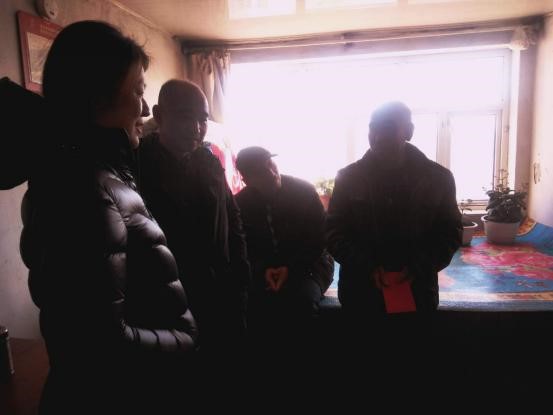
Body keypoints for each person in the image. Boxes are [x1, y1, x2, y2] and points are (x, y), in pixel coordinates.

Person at [19, 21, 197, 413]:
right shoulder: (87, 189)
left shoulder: (96, 173)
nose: (145, 109)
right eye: (138, 91)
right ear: (99, 99)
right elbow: (99, 343)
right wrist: (185, 337)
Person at [326, 101, 461, 362]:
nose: (378, 136)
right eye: (373, 128)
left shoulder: (438, 178)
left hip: (417, 291)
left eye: (387, 128)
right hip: (361, 291)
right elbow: (333, 231)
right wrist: (368, 266)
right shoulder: (348, 177)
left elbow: (450, 232)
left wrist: (418, 267)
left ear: (409, 131)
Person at [138, 79, 250, 354]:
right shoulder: (139, 164)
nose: (197, 128)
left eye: (203, 120)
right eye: (186, 117)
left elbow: (231, 215)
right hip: (168, 296)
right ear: (159, 115)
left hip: (220, 286)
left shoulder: (209, 160)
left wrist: (241, 271)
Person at [234, 147, 334, 354]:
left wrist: (291, 268)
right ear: (246, 180)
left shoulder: (304, 191)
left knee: (302, 303)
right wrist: (263, 270)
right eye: (261, 171)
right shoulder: (240, 204)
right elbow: (241, 247)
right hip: (264, 270)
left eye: (270, 164)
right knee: (252, 306)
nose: (271, 173)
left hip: (311, 266)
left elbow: (319, 239)